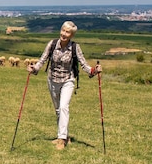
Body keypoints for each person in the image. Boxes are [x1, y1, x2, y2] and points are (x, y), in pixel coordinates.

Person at [27, 21, 102, 150]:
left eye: (68, 32)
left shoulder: (75, 47)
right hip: (52, 80)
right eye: (63, 30)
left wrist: (94, 70)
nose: (64, 34)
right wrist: (34, 69)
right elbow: (42, 60)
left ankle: (61, 140)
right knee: (58, 110)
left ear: (71, 35)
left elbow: (84, 64)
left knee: (63, 107)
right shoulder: (51, 44)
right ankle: (64, 136)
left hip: (68, 80)